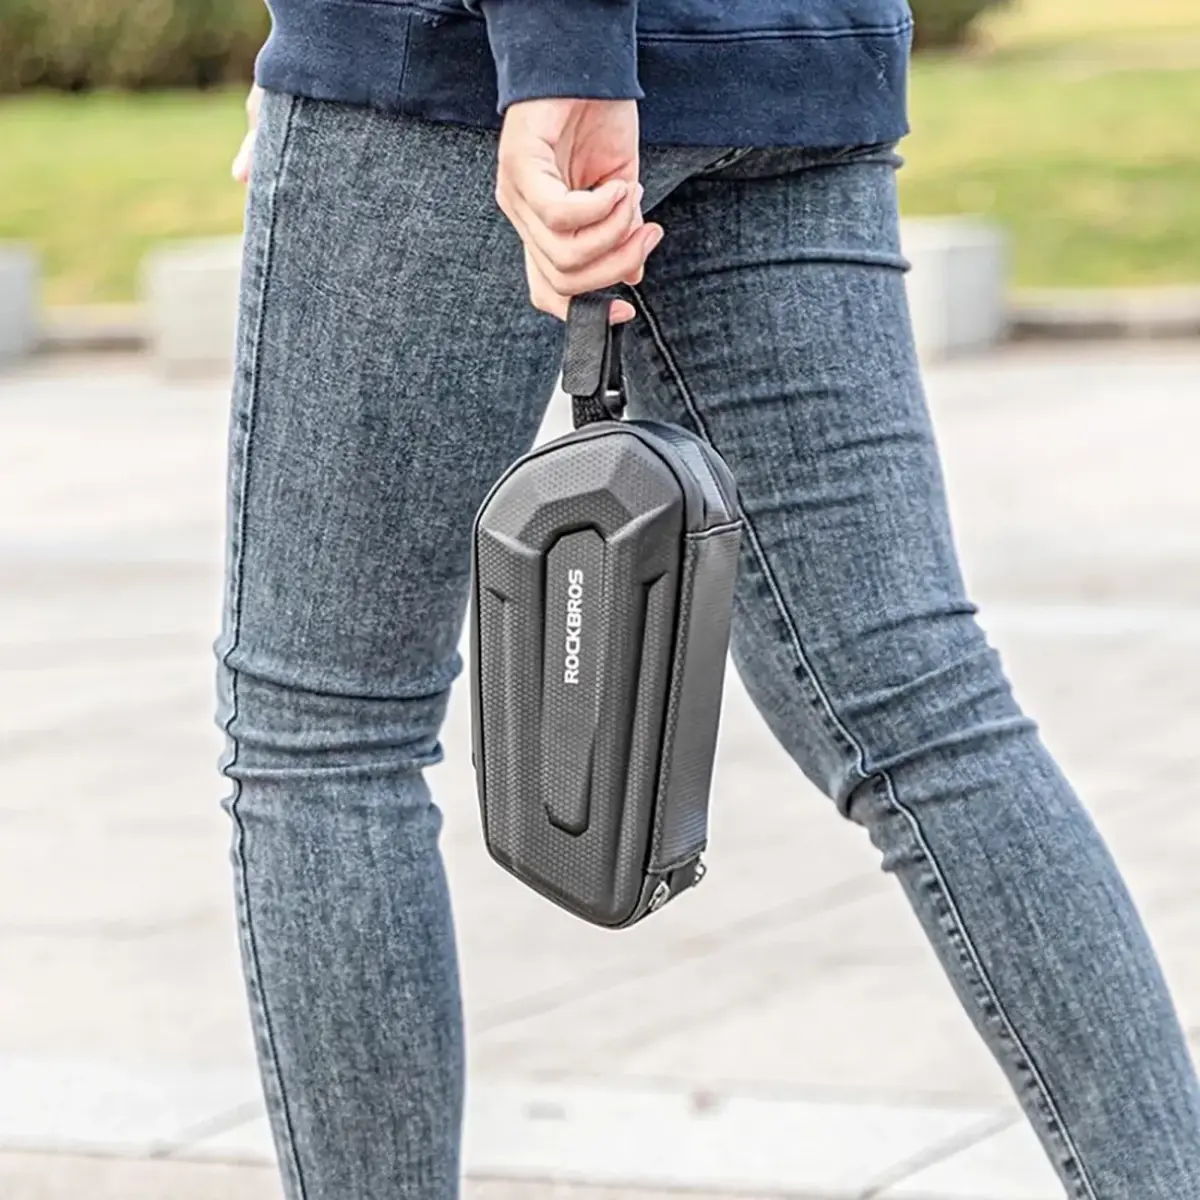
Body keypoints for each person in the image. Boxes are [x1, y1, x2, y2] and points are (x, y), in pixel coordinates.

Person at [215, 2, 1200, 1197]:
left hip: (480, 68)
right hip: (788, 55)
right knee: (925, 713)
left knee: (329, 737)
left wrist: (563, 57)